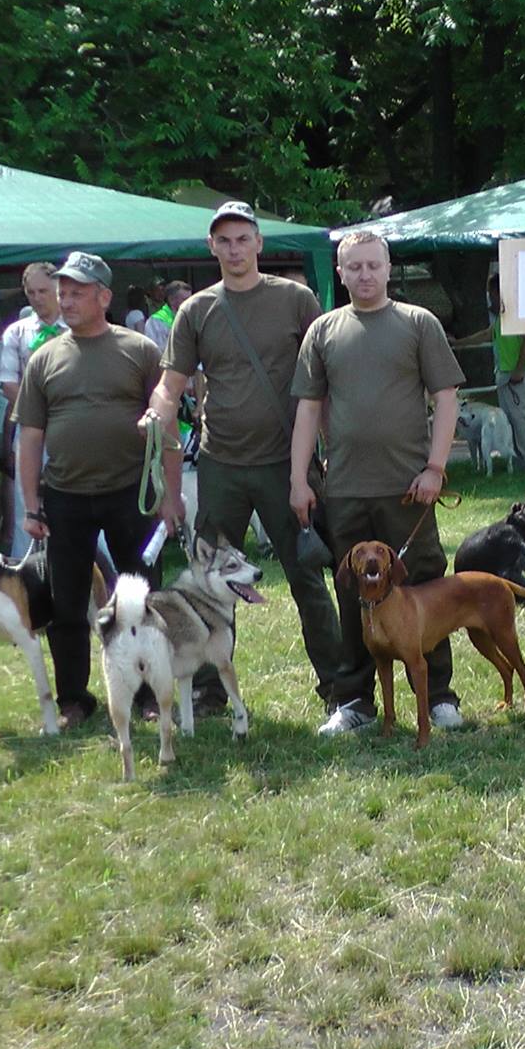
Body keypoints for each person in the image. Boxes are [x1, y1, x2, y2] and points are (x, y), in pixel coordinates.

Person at [149, 201, 346, 714]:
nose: (234, 249)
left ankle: (339, 689)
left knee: (308, 579)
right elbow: (170, 386)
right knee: (206, 582)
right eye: (224, 240)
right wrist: (158, 412)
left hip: (288, 465)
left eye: (243, 239)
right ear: (211, 247)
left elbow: (325, 376)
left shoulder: (297, 300)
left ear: (259, 243)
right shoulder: (196, 310)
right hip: (221, 464)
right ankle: (209, 690)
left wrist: (331, 456)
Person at [291, 230, 467, 736]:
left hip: (408, 489)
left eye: (373, 265)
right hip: (344, 488)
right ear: (340, 273)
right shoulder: (323, 331)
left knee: (424, 589)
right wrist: (299, 479)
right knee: (353, 594)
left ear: (388, 268)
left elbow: (447, 398)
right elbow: (307, 408)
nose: (364, 275)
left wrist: (435, 468)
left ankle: (436, 697)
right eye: (354, 267)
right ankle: (355, 702)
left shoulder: (418, 324)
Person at [15, 252, 180, 729]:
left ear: (104, 297)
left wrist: (171, 494)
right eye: (62, 291)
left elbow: (165, 425)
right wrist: (30, 504)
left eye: (77, 292)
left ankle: (150, 694)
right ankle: (74, 699)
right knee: (66, 602)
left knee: (143, 598)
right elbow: (30, 435)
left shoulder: (140, 350)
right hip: (64, 497)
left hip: (130, 492)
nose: (66, 299)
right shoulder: (44, 357)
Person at [0, 262, 66, 558]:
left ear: (58, 290)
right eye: (31, 292)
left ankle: (100, 569)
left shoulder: (76, 327)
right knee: (27, 504)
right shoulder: (17, 332)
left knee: (80, 497)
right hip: (32, 427)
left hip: (72, 428)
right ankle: (23, 571)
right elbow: (7, 382)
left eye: (44, 291)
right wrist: (40, 411)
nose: (37, 298)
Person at [489, 272, 525, 471]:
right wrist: (460, 343)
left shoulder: (518, 311)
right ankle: (519, 461)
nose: (490, 298)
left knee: (520, 418)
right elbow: (489, 334)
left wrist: (519, 369)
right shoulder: (501, 316)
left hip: (517, 373)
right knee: (510, 418)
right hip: (505, 372)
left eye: (492, 293)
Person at [140, 280, 188, 359]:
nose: (190, 302)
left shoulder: (189, 318)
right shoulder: (156, 321)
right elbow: (153, 349)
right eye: (185, 299)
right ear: (172, 300)